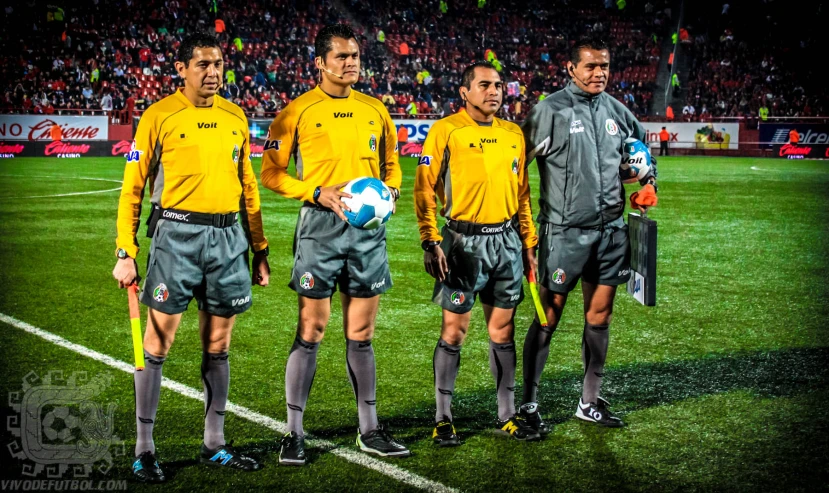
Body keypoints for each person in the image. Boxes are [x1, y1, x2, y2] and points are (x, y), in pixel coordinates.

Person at [112, 32, 270, 483]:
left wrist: (259, 249)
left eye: (218, 64)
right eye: (202, 64)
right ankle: (144, 449)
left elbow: (249, 187)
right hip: (174, 238)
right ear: (181, 69)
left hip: (228, 239)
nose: (213, 72)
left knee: (218, 347)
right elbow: (133, 188)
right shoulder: (158, 116)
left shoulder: (236, 116)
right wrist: (126, 250)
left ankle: (214, 444)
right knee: (157, 345)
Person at [260, 24, 408, 466]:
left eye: (355, 56)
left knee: (361, 335)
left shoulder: (375, 110)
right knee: (312, 331)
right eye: (341, 57)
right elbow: (271, 172)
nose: (351, 63)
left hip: (367, 234)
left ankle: (369, 429)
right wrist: (316, 191)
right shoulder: (297, 111)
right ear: (320, 63)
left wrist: (391, 193)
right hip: (320, 229)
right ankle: (293, 432)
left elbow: (392, 166)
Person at [520, 36, 658, 432]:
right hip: (564, 233)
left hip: (612, 232)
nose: (599, 73)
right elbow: (514, 167)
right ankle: (528, 403)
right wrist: (524, 226)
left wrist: (649, 185)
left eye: (605, 66)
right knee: (548, 317)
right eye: (591, 66)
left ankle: (589, 401)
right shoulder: (548, 112)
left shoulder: (619, 112)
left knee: (600, 316)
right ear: (571, 69)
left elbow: (643, 157)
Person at [415, 61, 540, 445]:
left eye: (499, 85)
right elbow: (424, 187)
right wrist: (430, 239)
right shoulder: (445, 131)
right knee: (454, 332)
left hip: (505, 243)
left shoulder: (513, 133)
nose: (494, 91)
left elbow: (522, 195)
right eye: (484, 85)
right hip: (462, 244)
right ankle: (443, 417)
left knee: (502, 332)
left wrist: (529, 244)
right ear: (464, 92)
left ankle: (506, 415)